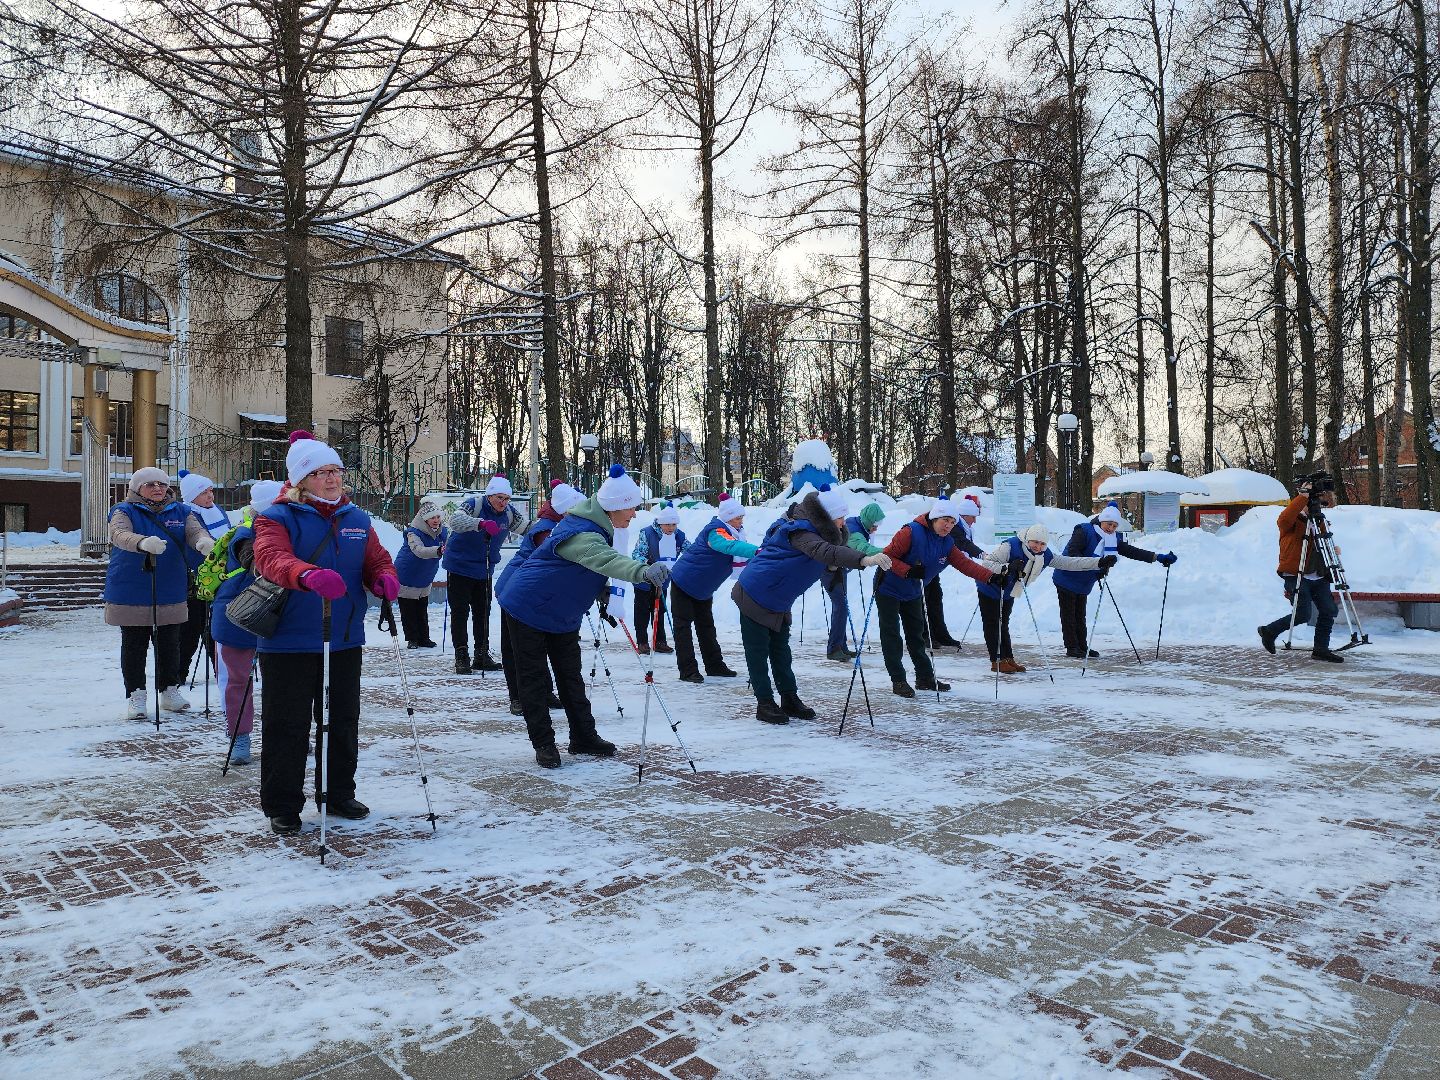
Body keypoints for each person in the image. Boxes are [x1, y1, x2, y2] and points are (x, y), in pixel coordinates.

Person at [252, 431, 400, 836]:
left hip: (344, 636)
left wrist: (384, 577)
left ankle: (337, 792)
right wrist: (308, 574)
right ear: (301, 479)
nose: (331, 479)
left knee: (342, 719)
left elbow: (377, 559)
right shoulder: (276, 516)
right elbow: (270, 559)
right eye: (319, 473)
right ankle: (282, 803)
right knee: (288, 724)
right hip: (289, 640)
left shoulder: (356, 519)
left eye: (335, 470)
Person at [496, 464, 669, 768]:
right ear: (615, 506)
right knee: (534, 679)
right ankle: (544, 744)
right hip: (529, 606)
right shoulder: (582, 532)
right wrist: (641, 572)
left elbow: (584, 568)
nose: (634, 514)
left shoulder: (598, 527)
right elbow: (604, 559)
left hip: (561, 610)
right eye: (631, 507)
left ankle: (583, 737)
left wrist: (601, 591)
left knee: (570, 676)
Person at [733, 486, 891, 724]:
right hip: (756, 593)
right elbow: (825, 552)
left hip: (779, 598)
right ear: (826, 517)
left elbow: (832, 552)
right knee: (758, 652)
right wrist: (863, 559)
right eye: (839, 517)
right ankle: (764, 703)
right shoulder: (801, 532)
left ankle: (789, 697)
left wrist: (837, 565)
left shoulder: (819, 532)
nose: (842, 522)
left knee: (780, 650)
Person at [106, 468, 216, 719]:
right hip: (131, 587)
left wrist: (203, 541)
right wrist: (142, 542)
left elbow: (194, 531)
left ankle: (169, 690)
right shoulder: (124, 510)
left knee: (170, 643)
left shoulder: (182, 511)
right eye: (150, 484)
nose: (157, 488)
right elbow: (119, 534)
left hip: (170, 585)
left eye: (162, 484)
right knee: (134, 644)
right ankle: (136, 696)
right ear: (136, 489)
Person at [876, 497, 1005, 696]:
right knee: (892, 635)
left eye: (953, 522)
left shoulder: (947, 543)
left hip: (912, 591)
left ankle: (925, 678)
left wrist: (991, 578)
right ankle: (898, 680)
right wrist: (907, 570)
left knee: (916, 636)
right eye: (945, 520)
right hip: (889, 589)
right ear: (935, 517)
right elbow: (886, 557)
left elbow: (965, 564)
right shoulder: (910, 533)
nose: (948, 525)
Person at [210, 479, 283, 765]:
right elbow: (253, 561)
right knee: (237, 680)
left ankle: (287, 734)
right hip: (238, 616)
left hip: (279, 617)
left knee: (285, 683)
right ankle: (239, 736)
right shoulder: (244, 533)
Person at [496, 481, 584, 715]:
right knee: (517, 650)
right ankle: (517, 697)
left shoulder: (557, 523)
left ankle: (544, 692)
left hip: (531, 594)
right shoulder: (546, 529)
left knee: (537, 645)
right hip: (513, 592)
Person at [977, 524, 1109, 674]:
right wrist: (1006, 567)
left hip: (1008, 590)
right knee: (993, 624)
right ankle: (997, 661)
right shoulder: (1010, 546)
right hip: (989, 586)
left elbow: (1069, 562)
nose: (1038, 547)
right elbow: (987, 563)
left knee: (1003, 624)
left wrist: (1098, 563)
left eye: (1042, 543)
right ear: (1027, 540)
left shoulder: (1045, 556)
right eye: (1035, 542)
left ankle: (1008, 658)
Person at [1053, 503, 1176, 658]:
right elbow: (1073, 552)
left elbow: (1131, 551)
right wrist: (1097, 565)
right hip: (1067, 576)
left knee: (1080, 614)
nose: (1111, 528)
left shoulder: (1113, 538)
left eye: (1114, 525)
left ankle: (1082, 647)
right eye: (1109, 524)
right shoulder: (1084, 530)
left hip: (1085, 581)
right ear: (1101, 520)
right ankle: (1072, 648)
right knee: (1069, 614)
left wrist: (1158, 557)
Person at [667, 492, 758, 683]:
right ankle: (688, 670)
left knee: (706, 626)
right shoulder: (716, 531)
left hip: (703, 587)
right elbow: (728, 547)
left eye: (741, 517)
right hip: (684, 581)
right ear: (727, 517)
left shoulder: (734, 532)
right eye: (737, 518)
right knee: (683, 627)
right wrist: (756, 551)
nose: (740, 522)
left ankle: (715, 665)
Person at [1257, 473, 1344, 662]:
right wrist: (1302, 496)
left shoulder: (1318, 520)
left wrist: (1332, 550)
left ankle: (1321, 649)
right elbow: (1283, 519)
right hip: (1295, 574)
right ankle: (1269, 631)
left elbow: (1321, 542)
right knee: (1303, 614)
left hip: (1318, 575)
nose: (1314, 504)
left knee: (1329, 610)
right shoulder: (1291, 521)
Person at [444, 473, 524, 674]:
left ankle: (481, 653)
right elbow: (455, 520)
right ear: (489, 496)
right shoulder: (474, 505)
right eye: (499, 497)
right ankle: (461, 655)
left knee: (483, 613)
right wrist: (479, 523)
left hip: (484, 567)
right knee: (460, 612)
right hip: (460, 566)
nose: (503, 502)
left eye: (506, 498)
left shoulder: (509, 514)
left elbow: (527, 528)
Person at [177, 470, 230, 690]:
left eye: (210, 491)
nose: (210, 496)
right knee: (191, 628)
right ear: (191, 497)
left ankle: (222, 669)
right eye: (204, 492)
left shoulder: (219, 512)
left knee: (218, 627)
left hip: (223, 577)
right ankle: (179, 672)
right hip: (195, 580)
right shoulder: (188, 515)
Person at [825, 501, 886, 662]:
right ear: (867, 520)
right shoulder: (855, 531)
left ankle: (841, 646)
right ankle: (833, 648)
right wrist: (891, 550)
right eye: (874, 524)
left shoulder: (856, 524)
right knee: (840, 606)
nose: (876, 528)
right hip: (831, 570)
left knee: (841, 606)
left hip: (838, 568)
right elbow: (864, 548)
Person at [926, 494, 985, 651]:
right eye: (973, 517)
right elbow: (963, 544)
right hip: (921, 571)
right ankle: (927, 636)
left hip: (933, 570)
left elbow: (961, 554)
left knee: (936, 599)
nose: (975, 520)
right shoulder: (956, 529)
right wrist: (981, 554)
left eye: (951, 522)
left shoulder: (957, 527)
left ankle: (939, 634)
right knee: (925, 602)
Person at [631, 502, 687, 654]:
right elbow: (637, 554)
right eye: (668, 524)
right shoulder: (647, 533)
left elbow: (690, 552)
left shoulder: (679, 536)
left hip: (663, 580)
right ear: (660, 523)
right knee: (642, 611)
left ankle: (659, 641)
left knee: (660, 609)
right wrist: (648, 567)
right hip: (644, 578)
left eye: (674, 524)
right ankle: (642, 642)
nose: (671, 528)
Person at [393, 499, 448, 648]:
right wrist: (438, 550)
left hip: (424, 574)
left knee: (422, 608)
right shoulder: (413, 533)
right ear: (425, 519)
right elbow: (419, 550)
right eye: (432, 518)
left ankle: (424, 638)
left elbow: (451, 543)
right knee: (408, 610)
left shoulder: (442, 532)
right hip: (407, 574)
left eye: (438, 517)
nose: (436, 520)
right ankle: (412, 639)